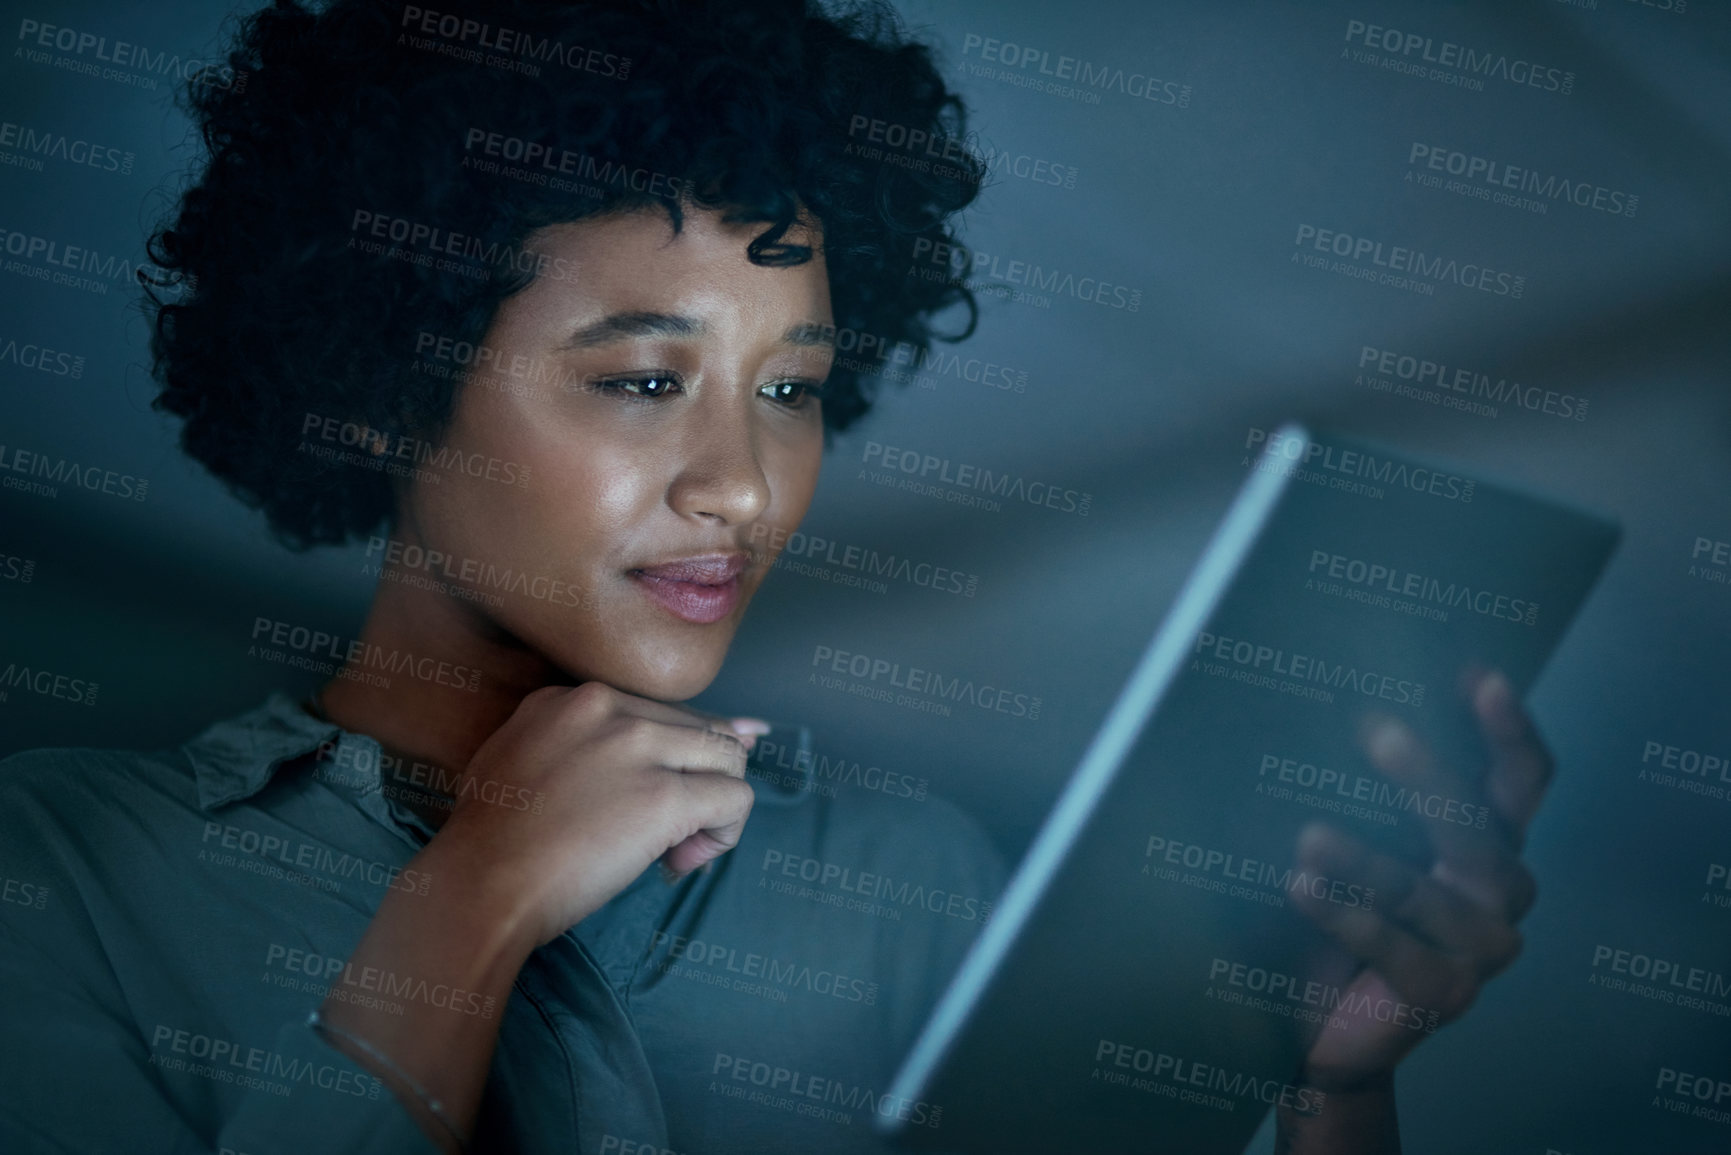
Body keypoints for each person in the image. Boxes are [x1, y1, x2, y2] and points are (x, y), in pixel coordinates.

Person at [0, 2, 1550, 1153]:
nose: (742, 486)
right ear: (386, 381)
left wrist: (1333, 1088)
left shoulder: (920, 889)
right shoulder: (62, 874)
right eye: (641, 380)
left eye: (792, 389)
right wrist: (473, 901)